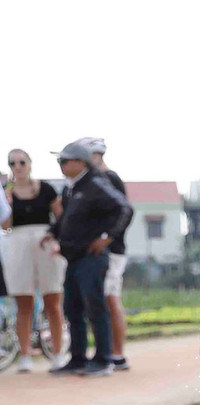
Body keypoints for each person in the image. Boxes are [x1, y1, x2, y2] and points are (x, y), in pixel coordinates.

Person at [48, 138, 131, 376]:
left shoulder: (97, 183)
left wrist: (107, 236)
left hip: (92, 256)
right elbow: (66, 219)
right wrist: (51, 233)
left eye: (64, 161)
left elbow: (124, 208)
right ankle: (78, 358)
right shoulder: (71, 187)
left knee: (96, 306)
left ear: (80, 162)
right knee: (72, 308)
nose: (61, 165)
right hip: (73, 257)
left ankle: (104, 359)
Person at [2, 147, 65, 371]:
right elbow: (6, 226)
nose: (17, 167)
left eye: (21, 162)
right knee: (23, 303)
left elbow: (60, 217)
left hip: (45, 241)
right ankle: (25, 355)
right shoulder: (6, 193)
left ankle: (58, 353)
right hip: (18, 242)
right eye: (12, 163)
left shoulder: (46, 189)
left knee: (53, 300)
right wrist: (6, 202)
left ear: (29, 163)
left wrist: (55, 238)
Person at [85, 141, 132, 371]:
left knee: (109, 299)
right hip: (94, 252)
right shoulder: (89, 182)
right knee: (99, 300)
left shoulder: (109, 178)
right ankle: (105, 352)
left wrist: (108, 238)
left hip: (112, 252)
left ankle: (117, 354)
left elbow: (124, 211)